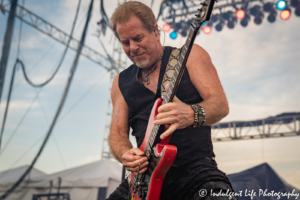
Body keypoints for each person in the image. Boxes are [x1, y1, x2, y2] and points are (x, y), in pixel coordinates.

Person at [107, 1, 236, 200]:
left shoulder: (190, 56)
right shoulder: (120, 82)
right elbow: (117, 134)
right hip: (142, 181)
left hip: (195, 171)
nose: (132, 47)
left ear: (155, 30)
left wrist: (190, 114)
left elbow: (220, 105)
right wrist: (127, 154)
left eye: (138, 38)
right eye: (125, 42)